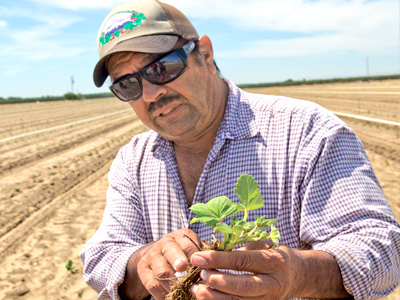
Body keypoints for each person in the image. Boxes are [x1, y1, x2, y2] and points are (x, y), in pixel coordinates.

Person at [80, 0, 400, 299]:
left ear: (204, 54)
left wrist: (300, 273)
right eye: (127, 84)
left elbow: (382, 246)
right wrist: (141, 263)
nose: (150, 93)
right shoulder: (134, 160)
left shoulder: (305, 130)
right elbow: (102, 255)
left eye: (160, 68)